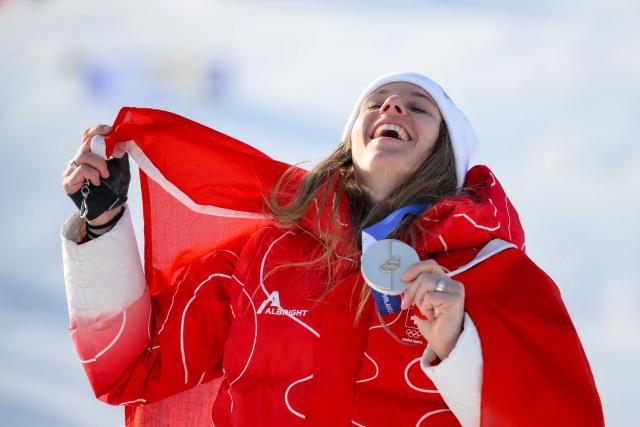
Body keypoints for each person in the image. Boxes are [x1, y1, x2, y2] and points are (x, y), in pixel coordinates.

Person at [61, 72, 604, 426]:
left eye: (420, 107)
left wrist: (460, 350)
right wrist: (105, 225)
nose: (393, 105)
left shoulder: (490, 271)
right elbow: (135, 366)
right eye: (377, 102)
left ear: (447, 154)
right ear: (350, 144)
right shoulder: (268, 254)